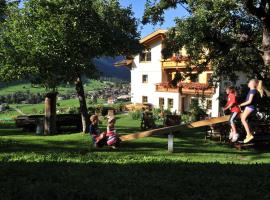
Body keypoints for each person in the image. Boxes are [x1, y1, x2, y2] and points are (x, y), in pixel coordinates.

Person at [239, 79, 263, 143]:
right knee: (243, 119)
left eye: (249, 82)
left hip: (250, 107)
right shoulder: (252, 90)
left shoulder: (253, 91)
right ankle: (249, 134)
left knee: (243, 119)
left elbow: (249, 101)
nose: (248, 83)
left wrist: (240, 105)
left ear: (253, 84)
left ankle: (249, 134)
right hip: (249, 108)